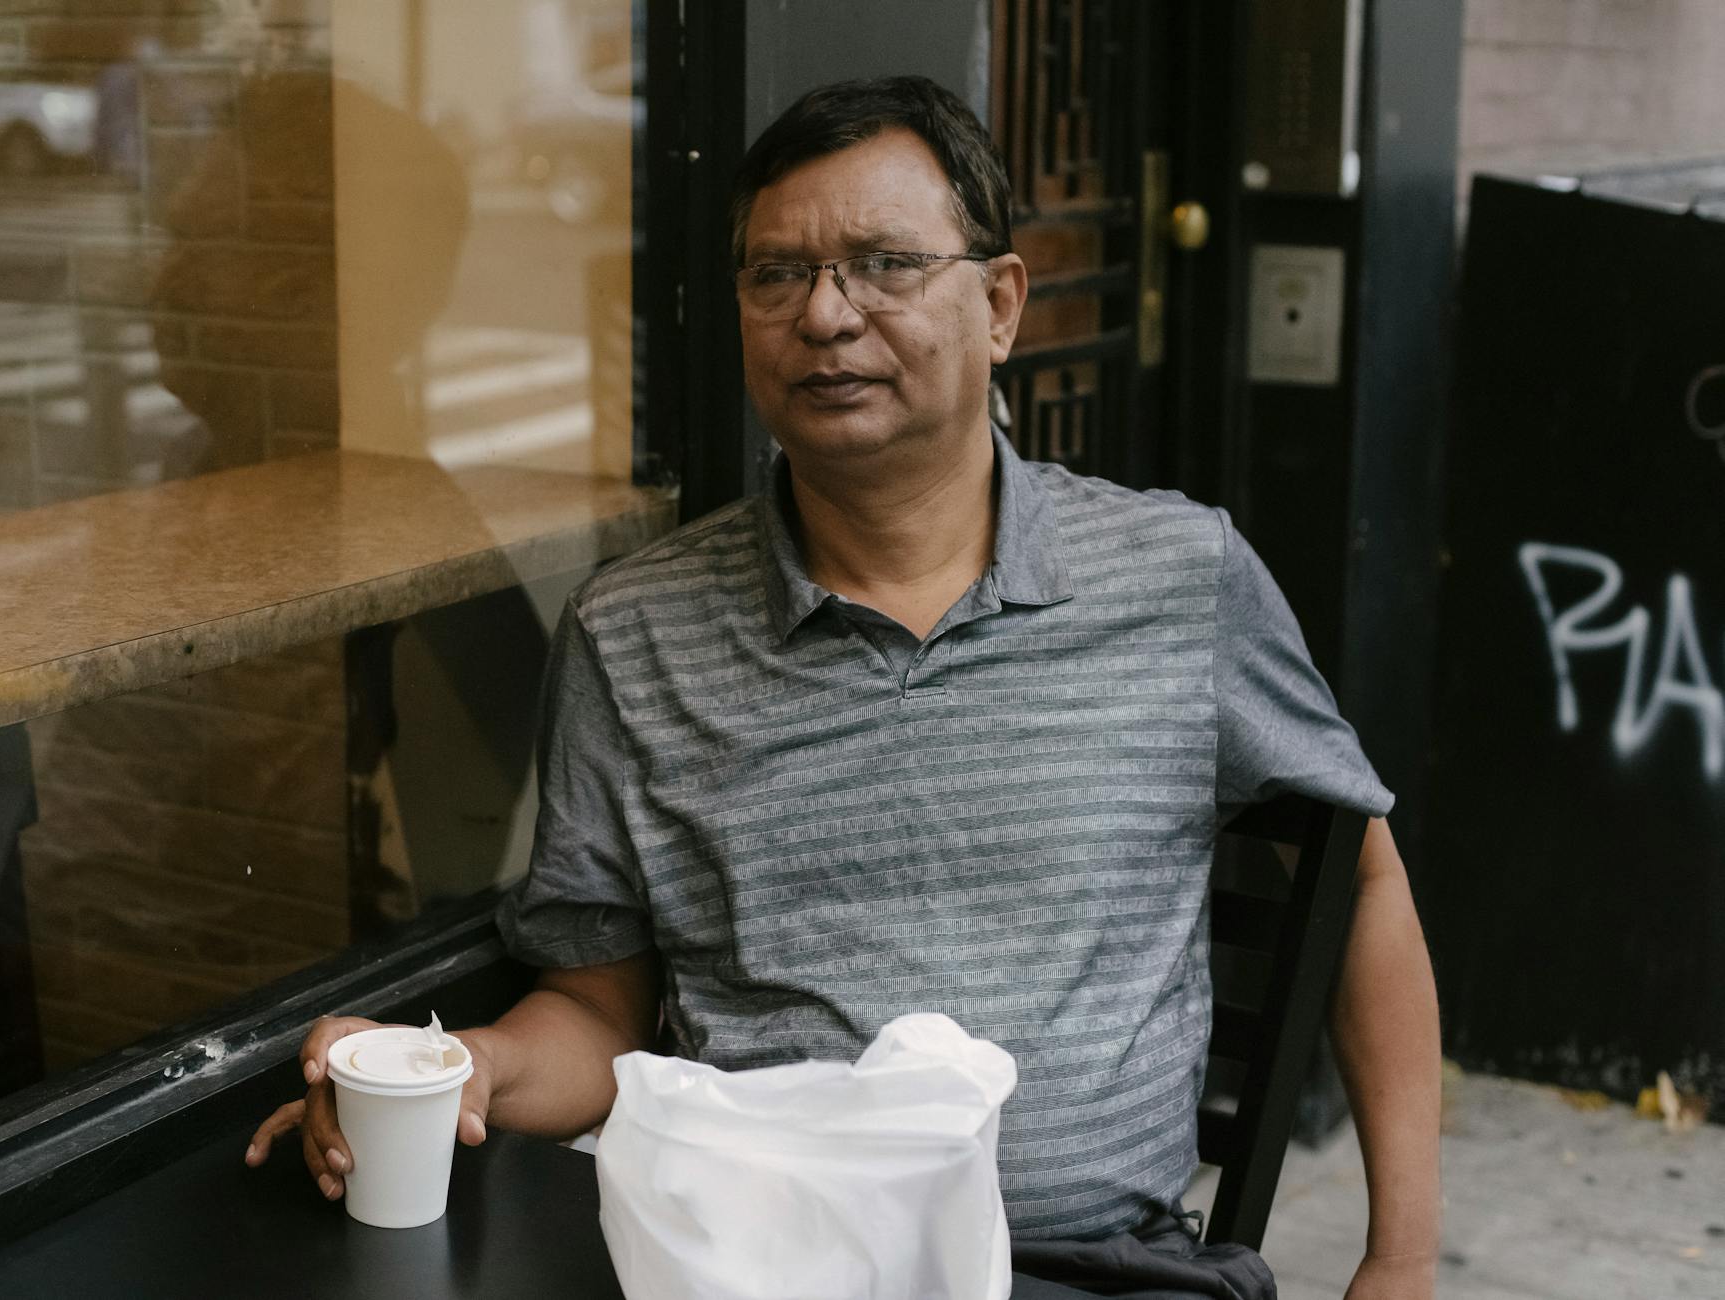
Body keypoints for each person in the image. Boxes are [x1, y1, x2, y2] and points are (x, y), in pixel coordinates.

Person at [247, 75, 1441, 1300]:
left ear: (1000, 305)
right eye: (778, 274)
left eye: (883, 265)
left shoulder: (1178, 579)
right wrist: (467, 1068)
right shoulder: (636, 634)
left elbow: (1359, 878)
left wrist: (1401, 1257)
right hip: (754, 1264)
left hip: (1092, 1274)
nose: (824, 314)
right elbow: (599, 1012)